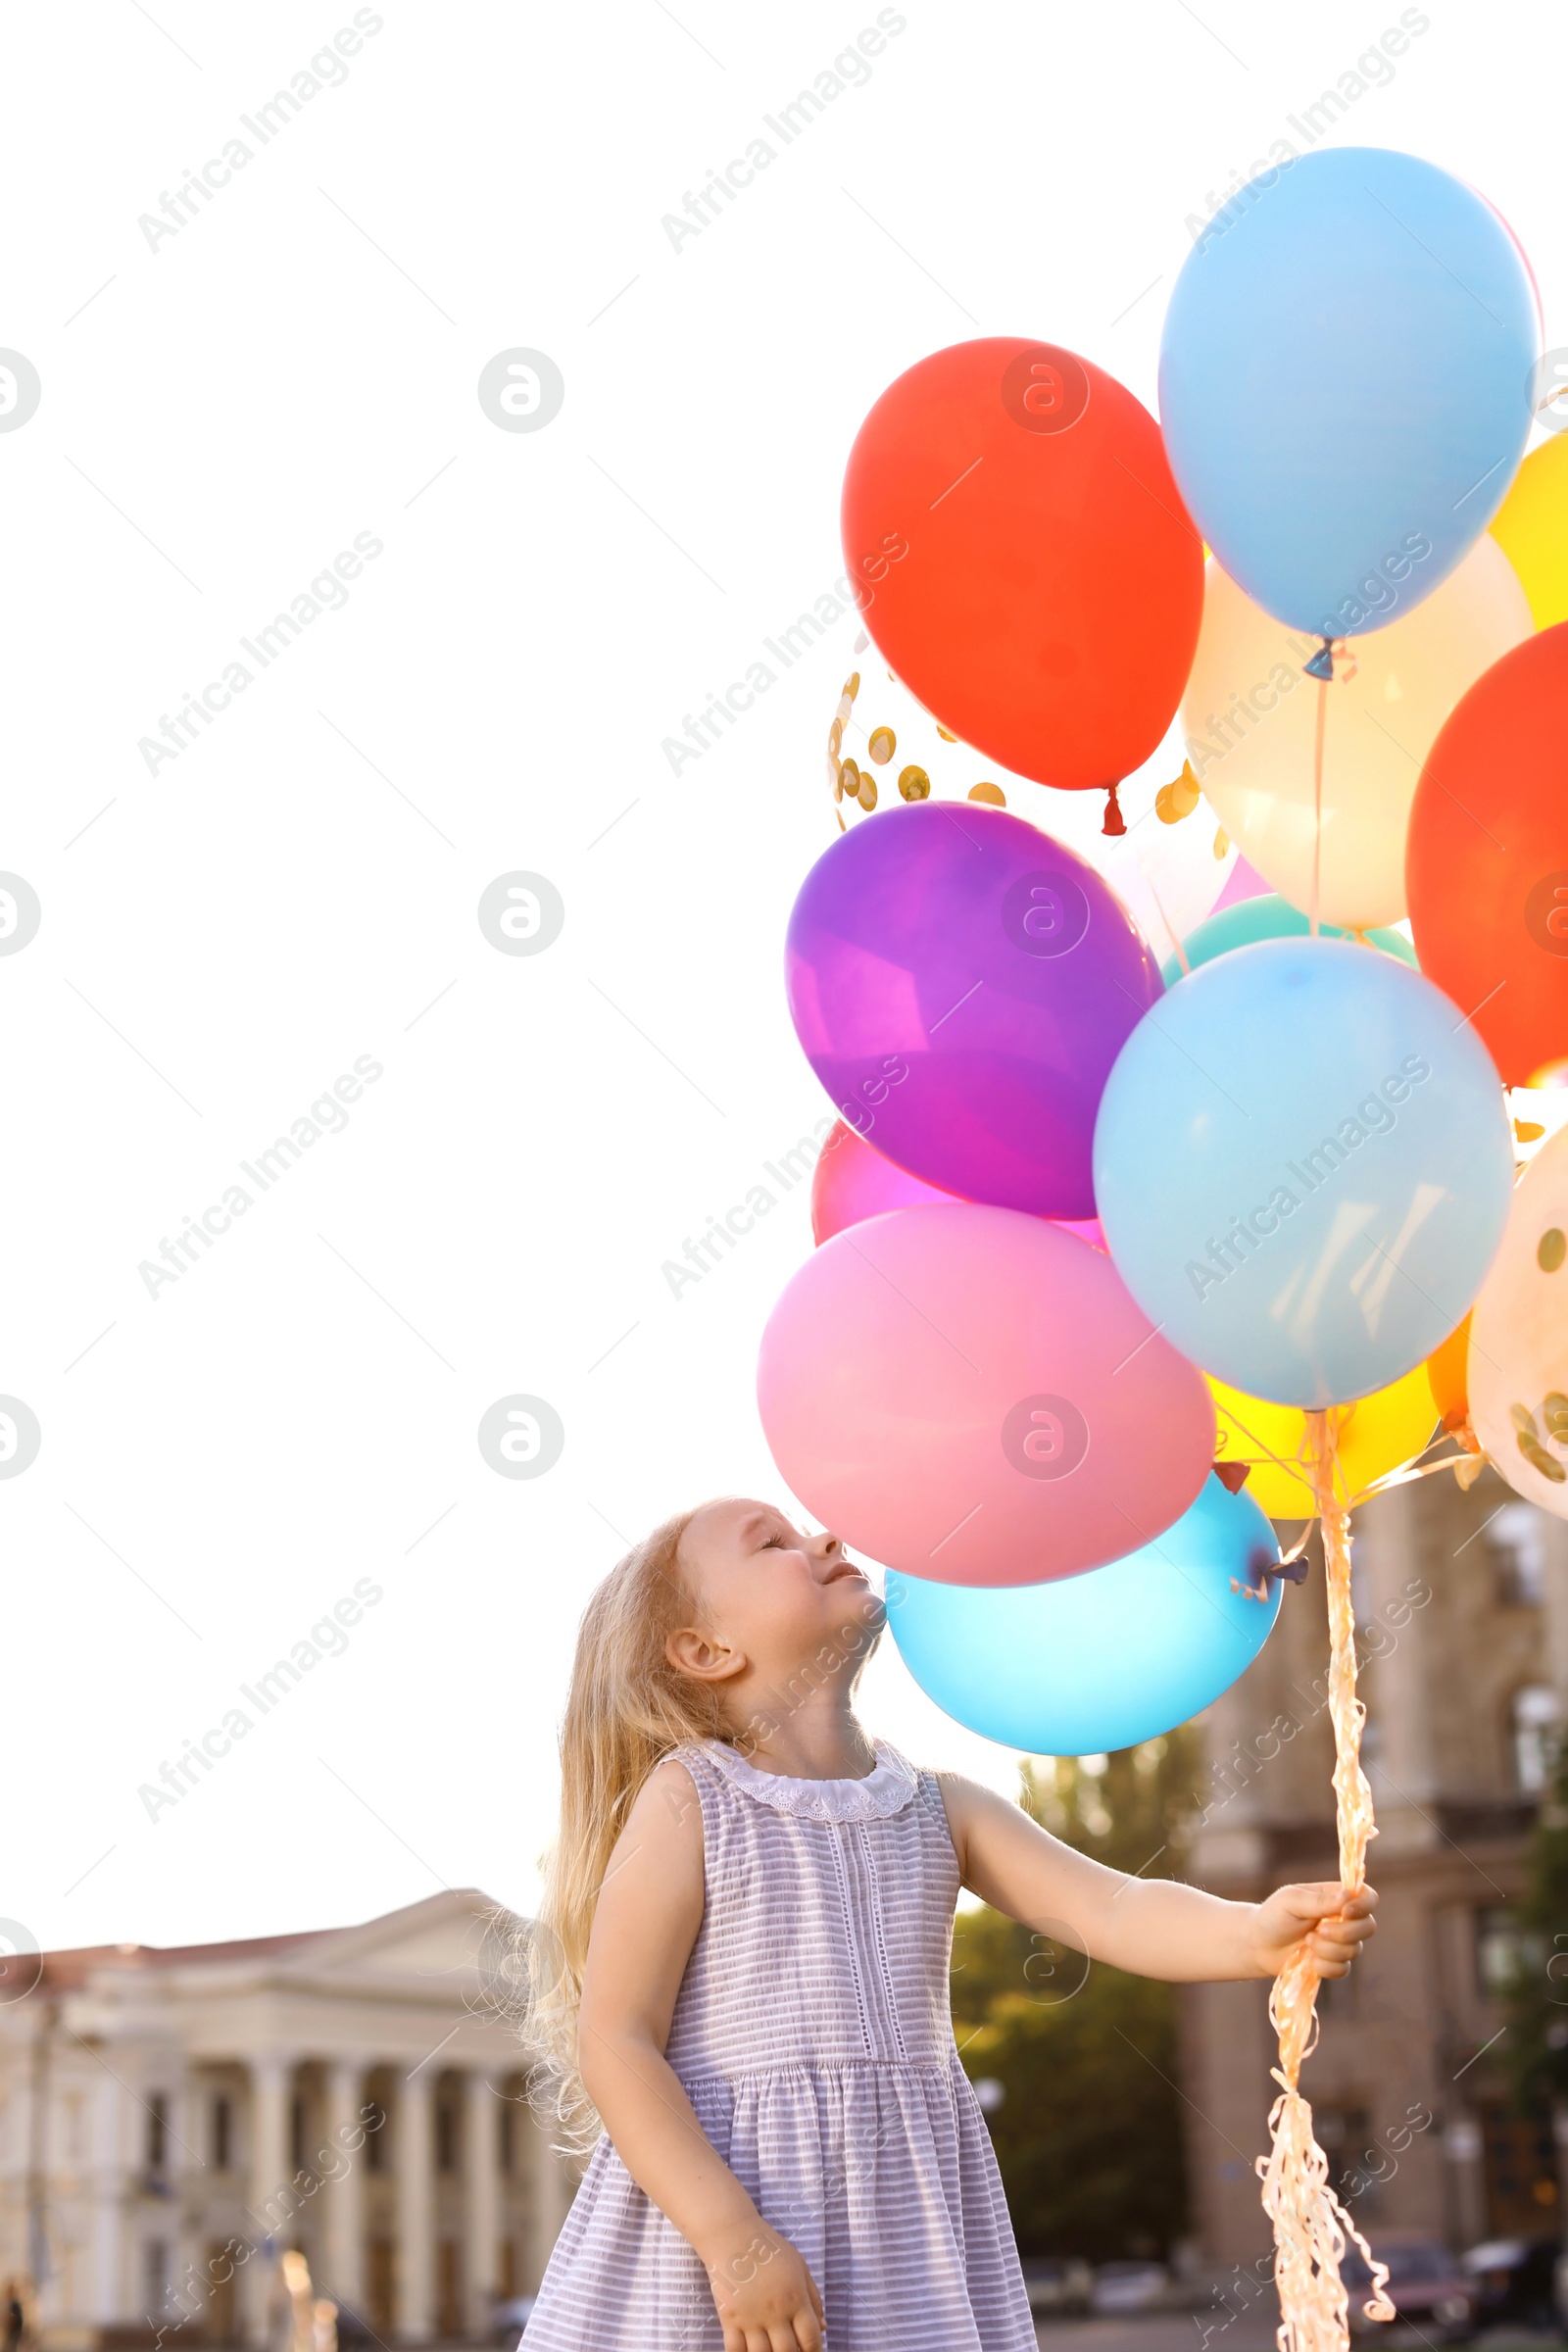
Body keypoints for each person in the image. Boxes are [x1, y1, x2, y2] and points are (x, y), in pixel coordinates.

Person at [519, 1499, 1376, 2352]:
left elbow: (1113, 1907)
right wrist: (730, 2239)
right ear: (707, 1651)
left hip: (904, 2232)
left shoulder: (938, 1806)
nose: (825, 1537)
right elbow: (619, 2040)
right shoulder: (692, 1799)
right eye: (772, 1543)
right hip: (727, 2231)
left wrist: (1251, 1932)